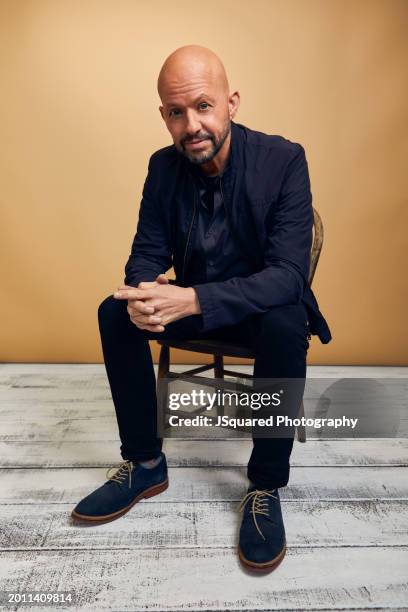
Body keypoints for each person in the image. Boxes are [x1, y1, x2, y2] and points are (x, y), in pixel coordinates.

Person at [71, 45, 331, 573]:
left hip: (260, 307)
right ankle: (144, 462)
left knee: (287, 323)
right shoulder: (162, 168)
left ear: (231, 102)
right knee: (113, 311)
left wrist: (191, 297)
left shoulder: (284, 159)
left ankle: (265, 486)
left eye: (203, 106)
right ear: (163, 115)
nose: (192, 124)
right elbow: (146, 253)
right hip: (197, 305)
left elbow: (287, 275)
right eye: (176, 112)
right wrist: (143, 295)